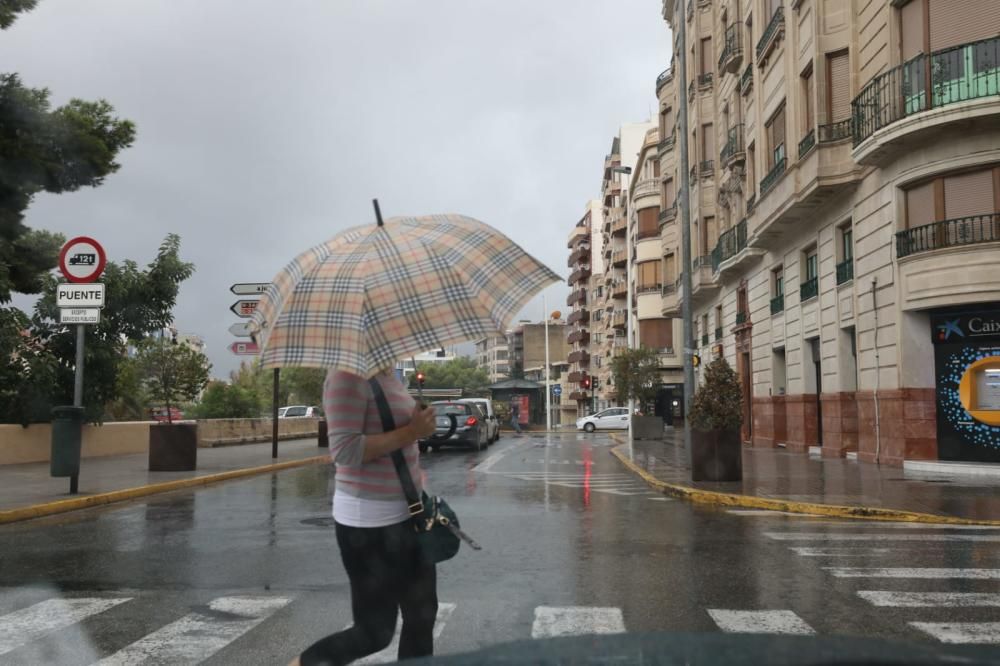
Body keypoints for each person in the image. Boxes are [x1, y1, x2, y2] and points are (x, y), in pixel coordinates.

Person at [291, 368, 437, 666]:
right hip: (368, 524)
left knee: (422, 615)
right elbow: (344, 450)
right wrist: (411, 432)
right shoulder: (347, 376)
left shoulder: (388, 375)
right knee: (374, 632)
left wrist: (417, 427)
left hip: (408, 514)